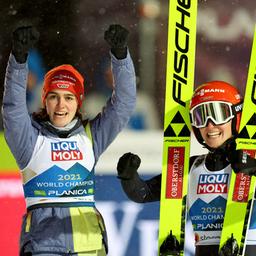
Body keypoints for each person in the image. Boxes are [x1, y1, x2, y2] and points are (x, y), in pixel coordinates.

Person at [2, 23, 136, 256]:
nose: (61, 105)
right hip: (43, 246)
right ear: (45, 101)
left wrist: (121, 57)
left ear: (78, 102)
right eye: (54, 97)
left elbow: (123, 105)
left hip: (89, 245)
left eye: (68, 98)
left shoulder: (91, 137)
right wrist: (19, 60)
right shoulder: (30, 140)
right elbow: (13, 108)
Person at [116, 81, 256, 256]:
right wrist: (128, 177)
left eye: (219, 114)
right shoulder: (193, 166)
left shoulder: (250, 161)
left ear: (236, 116)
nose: (210, 125)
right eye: (200, 117)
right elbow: (143, 193)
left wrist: (252, 167)